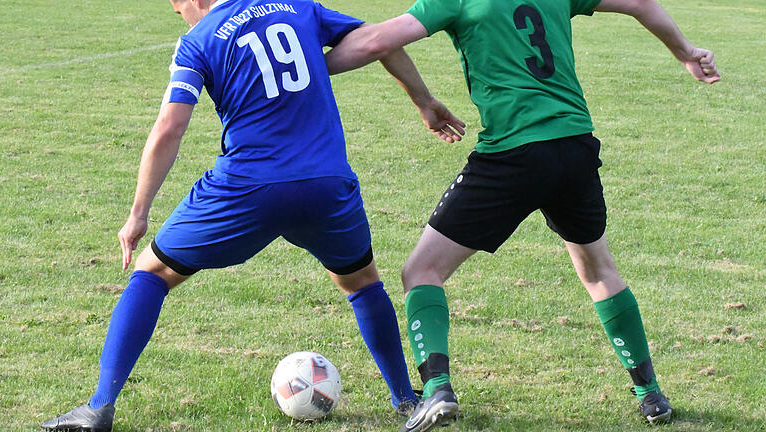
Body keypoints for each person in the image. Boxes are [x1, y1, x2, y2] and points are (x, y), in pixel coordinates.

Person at [40, 0, 466, 430]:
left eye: (175, 4)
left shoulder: (198, 41)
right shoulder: (298, 7)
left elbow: (170, 127)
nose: (176, 13)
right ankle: (405, 399)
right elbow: (381, 41)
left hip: (247, 188)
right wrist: (424, 101)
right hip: (326, 183)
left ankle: (98, 407)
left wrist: (138, 213)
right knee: (361, 282)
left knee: (152, 272)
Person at [324, 0, 720, 430]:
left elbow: (378, 40)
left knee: (421, 271)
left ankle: (437, 388)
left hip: (512, 156)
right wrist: (685, 51)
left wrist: (305, 68)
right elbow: (640, 3)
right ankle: (651, 395)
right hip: (575, 147)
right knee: (599, 270)